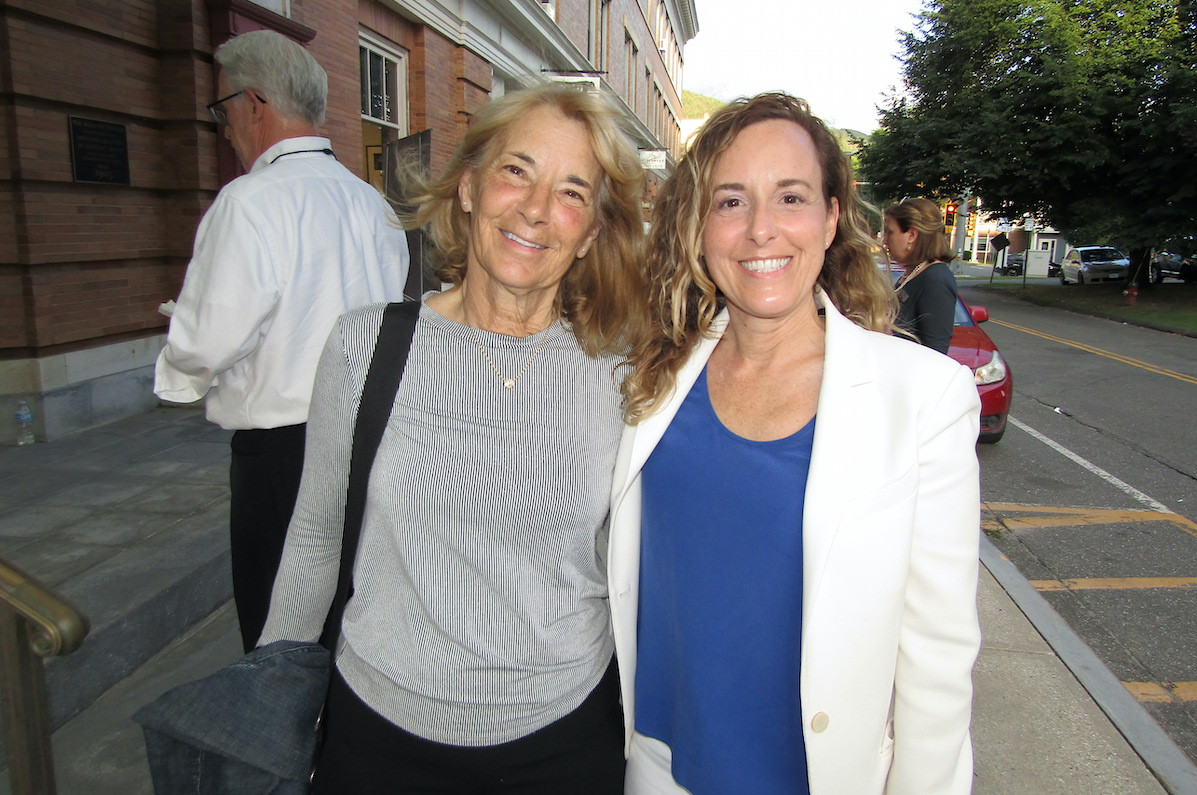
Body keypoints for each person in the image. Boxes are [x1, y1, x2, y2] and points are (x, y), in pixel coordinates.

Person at [259, 82, 647, 792]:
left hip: (560, 739)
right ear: (468, 187)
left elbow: (624, 565)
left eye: (570, 192)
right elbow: (313, 538)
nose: (534, 209)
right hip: (376, 733)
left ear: (591, 230)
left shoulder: (622, 377)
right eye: (516, 171)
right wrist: (266, 705)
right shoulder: (364, 346)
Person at [609, 93, 982, 794]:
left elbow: (936, 658)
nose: (759, 231)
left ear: (831, 216)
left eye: (789, 197)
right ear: (696, 225)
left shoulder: (922, 397)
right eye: (729, 202)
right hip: (657, 767)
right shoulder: (651, 377)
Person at [153, 30, 410, 652]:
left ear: (255, 105)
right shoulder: (370, 202)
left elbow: (209, 340)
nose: (225, 128)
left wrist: (180, 372)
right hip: (373, 438)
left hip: (284, 454)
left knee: (281, 626)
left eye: (223, 112)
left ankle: (293, 745)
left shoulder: (249, 203)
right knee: (355, 608)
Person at [882, 197, 958, 354]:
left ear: (911, 235)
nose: (884, 241)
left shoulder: (935, 280)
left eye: (890, 232)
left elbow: (935, 352)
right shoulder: (914, 273)